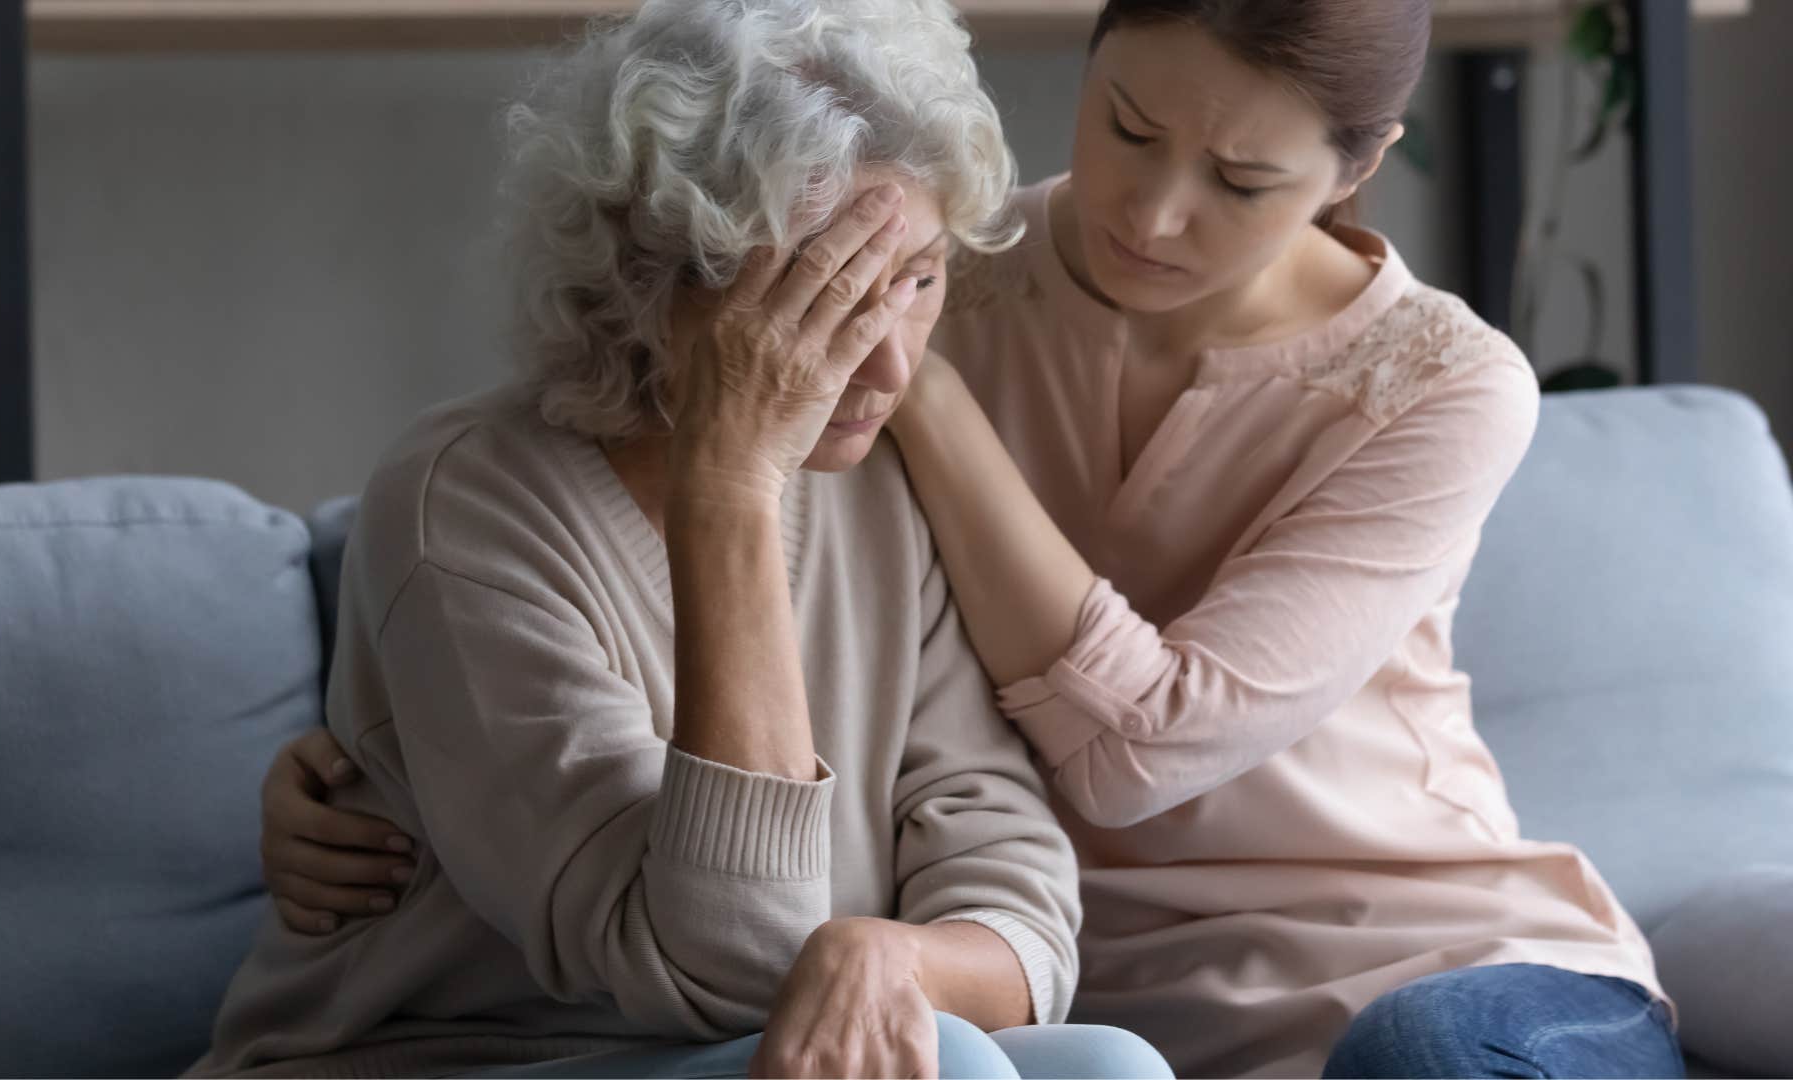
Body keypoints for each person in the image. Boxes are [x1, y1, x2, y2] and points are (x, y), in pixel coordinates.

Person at [260, 1, 1686, 1077]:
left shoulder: (1437, 381)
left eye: (1243, 180)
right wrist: (371, 751)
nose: (1153, 211)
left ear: (1358, 167)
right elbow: (510, 536)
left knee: (1421, 1058)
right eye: (1127, 126)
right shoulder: (926, 262)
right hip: (1035, 995)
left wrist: (892, 384)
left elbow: (1123, 764)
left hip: (1408, 956)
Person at [185, 1, 1179, 1077]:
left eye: (919, 278)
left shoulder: (884, 484)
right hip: (461, 1055)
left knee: (1110, 1066)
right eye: (819, 298)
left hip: (756, 1050)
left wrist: (893, 961)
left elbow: (1018, 887)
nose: (893, 369)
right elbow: (730, 966)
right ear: (656, 280)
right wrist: (732, 488)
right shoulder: (460, 507)